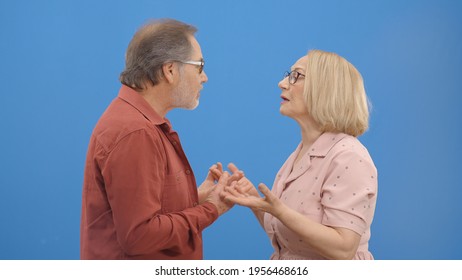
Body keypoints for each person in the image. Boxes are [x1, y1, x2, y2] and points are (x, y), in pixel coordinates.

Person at [80, 19, 240, 260]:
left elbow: (142, 214)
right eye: (200, 66)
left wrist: (196, 199)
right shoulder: (135, 132)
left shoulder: (137, 123)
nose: (204, 77)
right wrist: (211, 209)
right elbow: (139, 235)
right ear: (170, 70)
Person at [223, 50, 378, 260]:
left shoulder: (349, 156)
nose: (282, 83)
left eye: (296, 76)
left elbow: (343, 249)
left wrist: (279, 211)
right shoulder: (302, 153)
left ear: (326, 89)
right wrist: (254, 199)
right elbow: (292, 238)